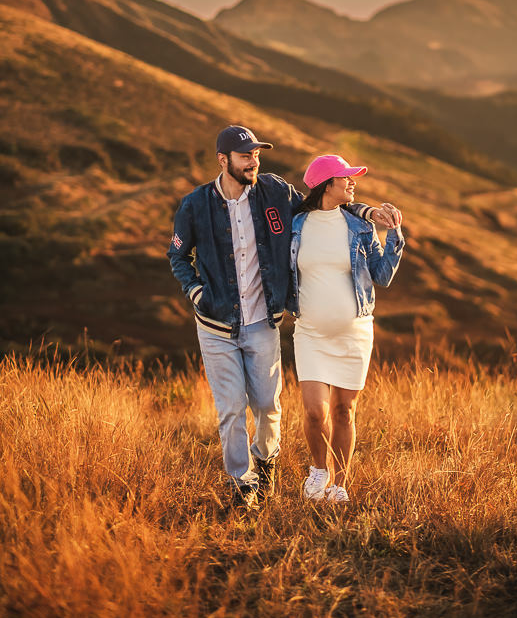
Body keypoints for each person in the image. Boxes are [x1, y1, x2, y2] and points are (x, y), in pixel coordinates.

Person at [167, 125, 401, 509]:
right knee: (230, 409)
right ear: (223, 161)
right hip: (216, 326)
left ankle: (266, 462)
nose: (254, 162)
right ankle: (243, 487)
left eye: (256, 155)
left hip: (262, 322)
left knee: (267, 407)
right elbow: (177, 255)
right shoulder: (195, 204)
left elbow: (321, 203)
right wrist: (196, 292)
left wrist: (367, 211)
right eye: (245, 156)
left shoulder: (274, 192)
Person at [288, 154, 404, 504]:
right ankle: (318, 470)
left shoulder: (360, 227)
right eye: (346, 178)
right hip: (309, 332)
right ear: (327, 183)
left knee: (343, 411)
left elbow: (382, 276)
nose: (352, 183)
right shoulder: (297, 224)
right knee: (314, 411)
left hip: (354, 333)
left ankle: (339, 484)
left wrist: (394, 234)